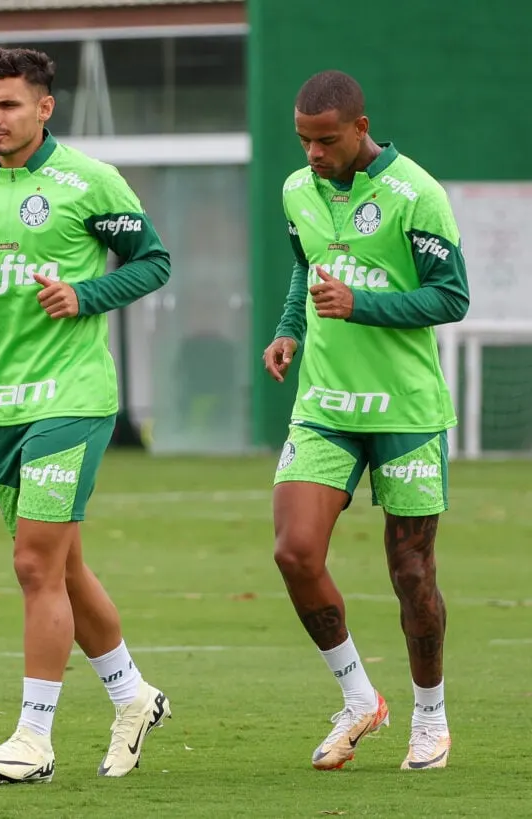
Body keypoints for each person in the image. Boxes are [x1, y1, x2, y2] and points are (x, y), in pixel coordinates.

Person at [0, 46, 172, 784]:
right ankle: (133, 695)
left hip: (73, 397)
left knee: (34, 562)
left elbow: (153, 261)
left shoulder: (89, 181)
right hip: (1, 404)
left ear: (44, 107)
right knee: (62, 565)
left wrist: (84, 294)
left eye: (6, 105)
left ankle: (33, 739)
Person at [262, 69, 469, 772]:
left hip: (406, 411)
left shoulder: (418, 194)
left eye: (324, 141)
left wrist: (364, 306)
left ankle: (431, 716)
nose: (312, 154)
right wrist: (291, 327)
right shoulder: (296, 189)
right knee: (294, 552)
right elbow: (307, 266)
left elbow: (451, 297)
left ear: (359, 127)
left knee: (412, 573)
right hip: (325, 406)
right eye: (303, 141)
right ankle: (358, 697)